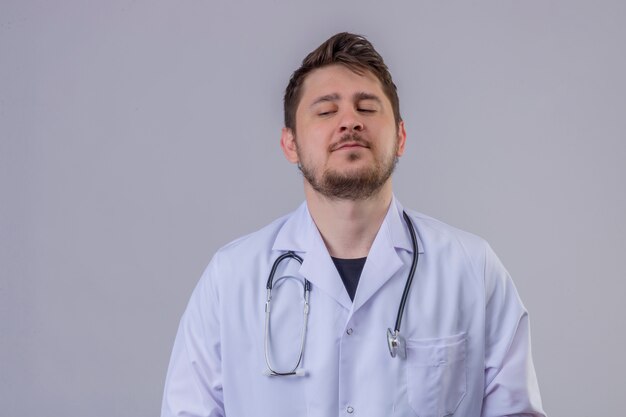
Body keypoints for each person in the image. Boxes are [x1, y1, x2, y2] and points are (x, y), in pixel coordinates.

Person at [161, 32, 546, 417]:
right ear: (290, 143)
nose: (349, 122)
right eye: (326, 111)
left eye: (367, 108)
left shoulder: (471, 269)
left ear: (400, 137)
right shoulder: (230, 278)